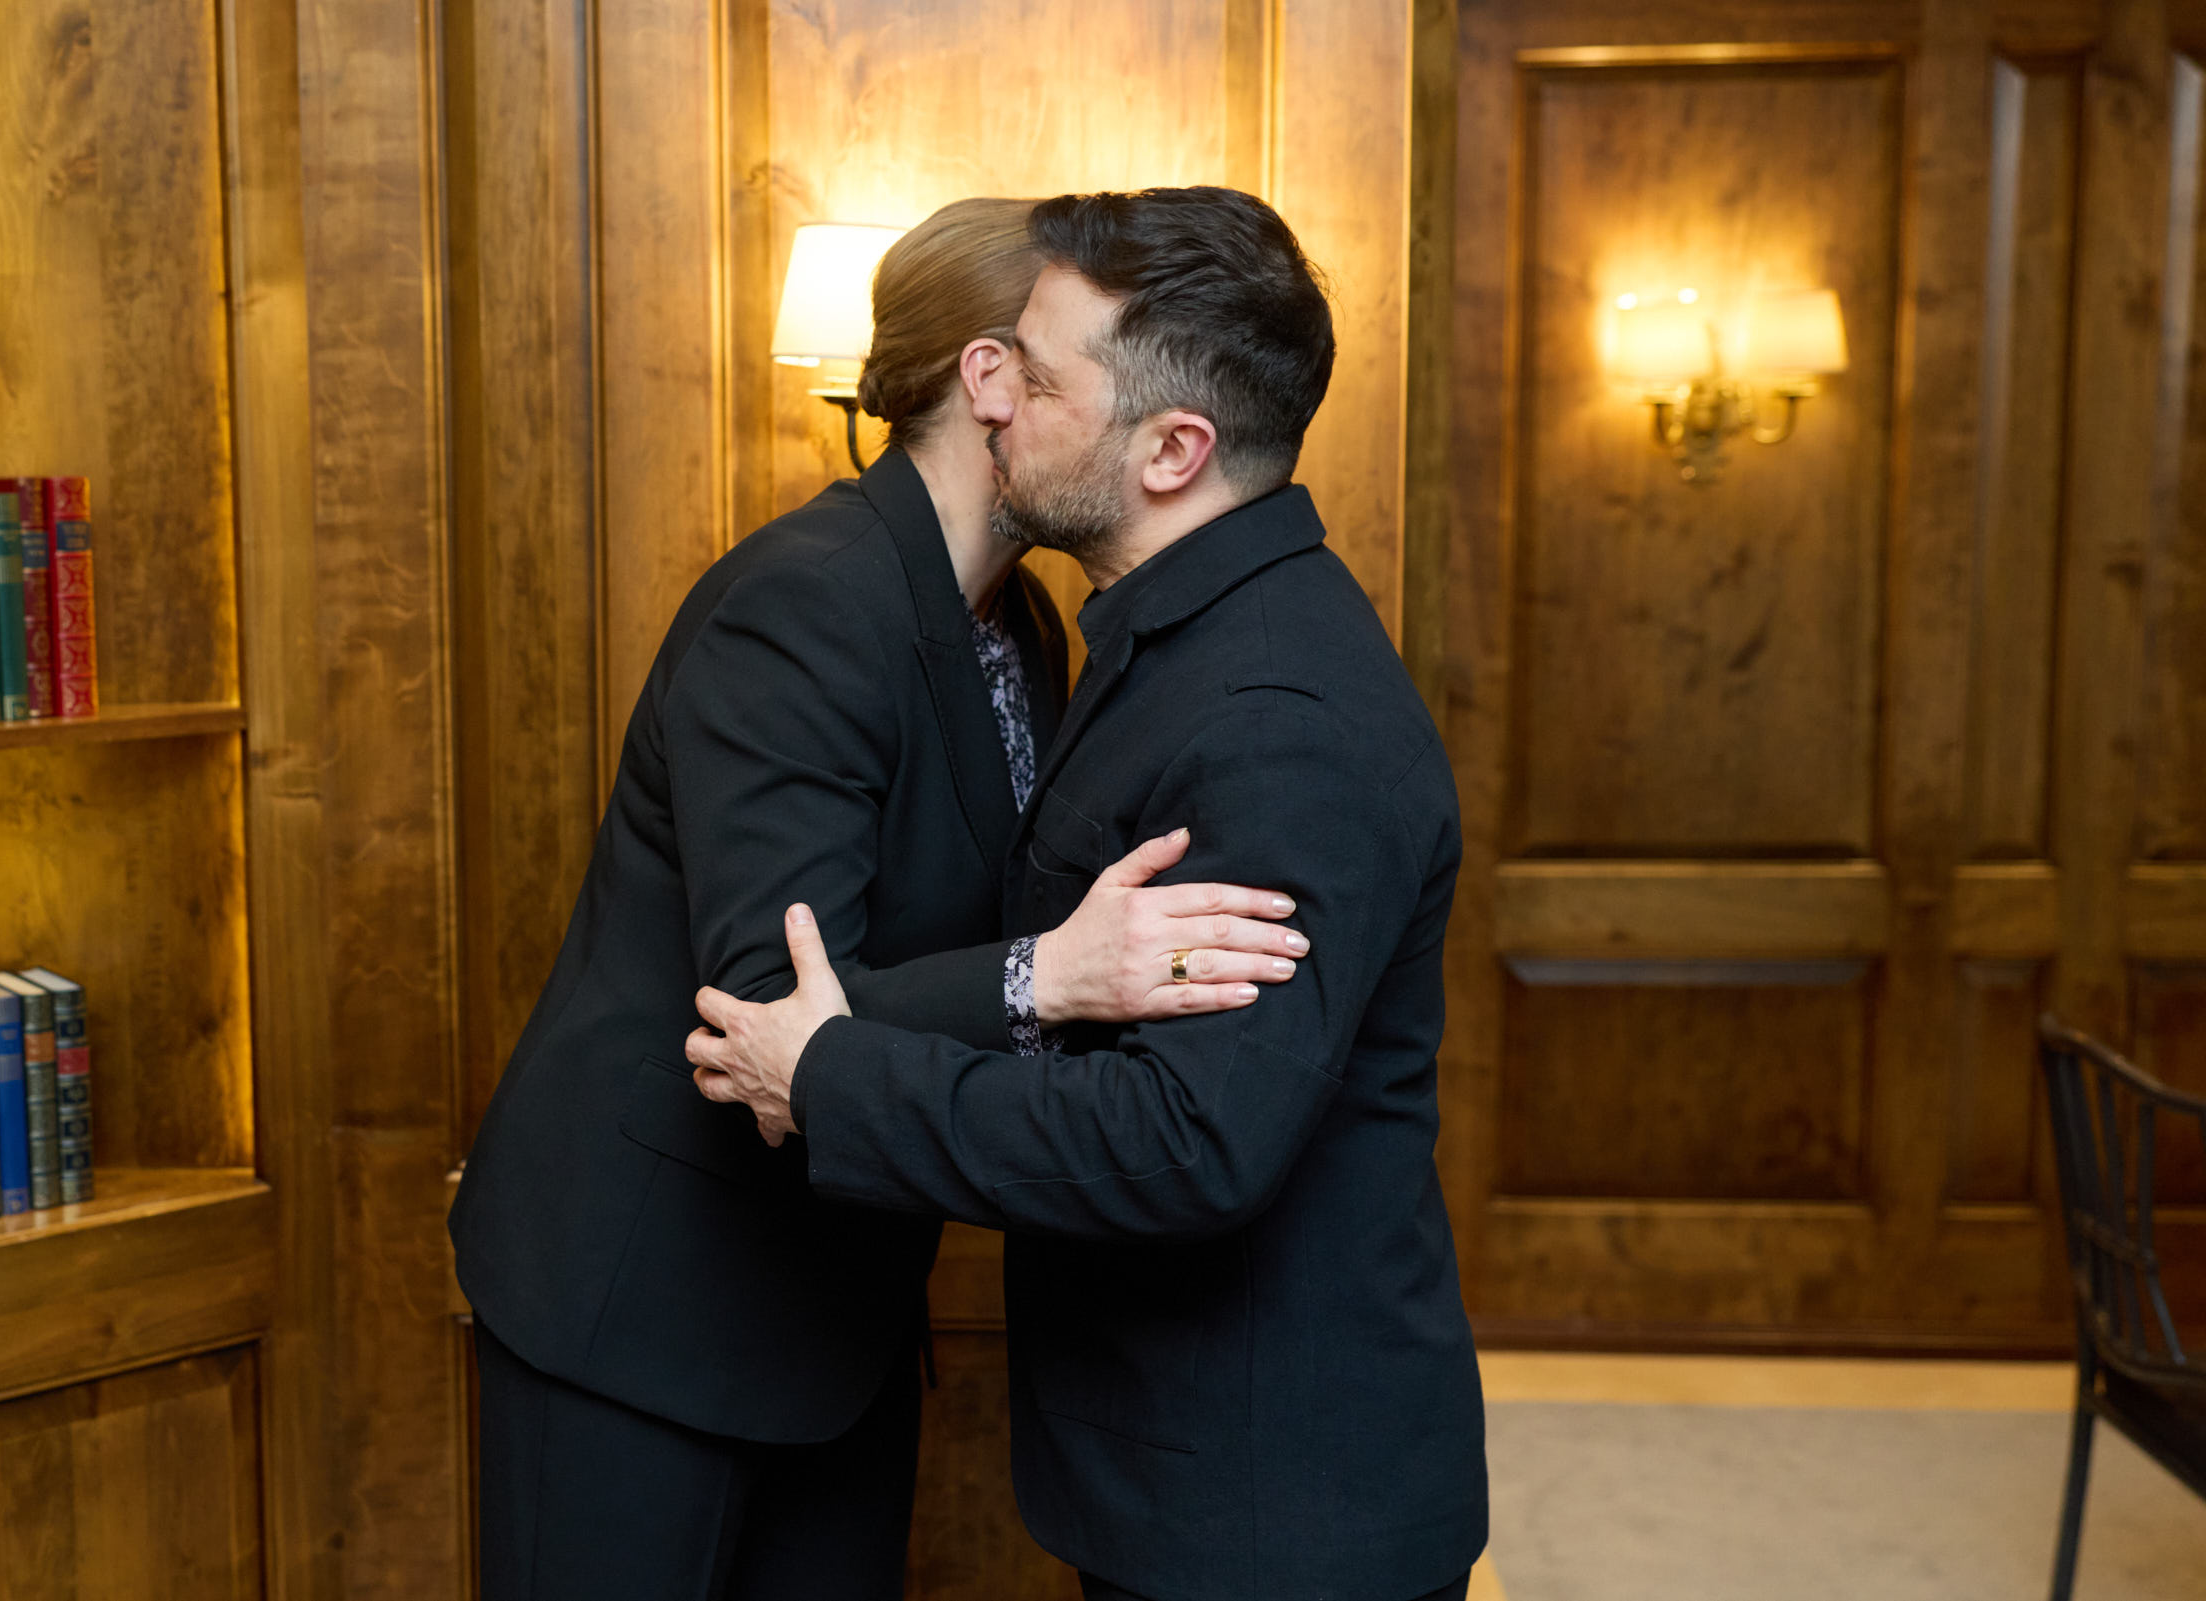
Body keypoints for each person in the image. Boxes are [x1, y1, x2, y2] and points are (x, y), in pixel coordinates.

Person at [447, 197, 1309, 1601]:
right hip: (644, 1299)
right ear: (991, 378)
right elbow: (765, 1010)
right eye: (1069, 367)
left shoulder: (1023, 621)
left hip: (838, 1302)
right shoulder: (807, 599)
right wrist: (1051, 976)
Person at [687, 186, 1488, 1601]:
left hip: (1271, 1509)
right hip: (1193, 1475)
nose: (993, 403)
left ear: (1174, 450)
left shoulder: (1274, 717)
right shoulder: (1163, 635)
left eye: (1041, 379)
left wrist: (828, 1076)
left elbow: (1189, 1141)